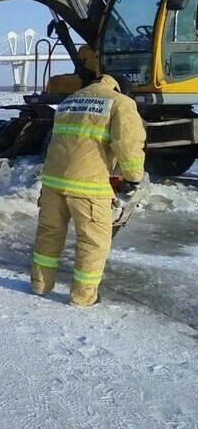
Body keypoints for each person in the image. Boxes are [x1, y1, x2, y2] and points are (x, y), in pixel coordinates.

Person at [31, 74, 146, 307]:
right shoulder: (120, 103)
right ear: (120, 88)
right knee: (93, 242)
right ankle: (82, 297)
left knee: (49, 234)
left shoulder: (70, 100)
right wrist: (133, 178)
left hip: (53, 183)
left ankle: (40, 285)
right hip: (89, 186)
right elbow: (128, 143)